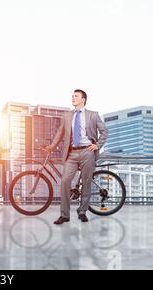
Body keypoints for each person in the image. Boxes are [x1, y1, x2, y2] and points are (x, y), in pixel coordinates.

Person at [45, 89, 108, 224]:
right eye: (72, 96)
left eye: (76, 96)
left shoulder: (93, 115)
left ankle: (82, 212)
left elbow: (104, 132)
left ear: (83, 99)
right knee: (65, 181)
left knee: (86, 183)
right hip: (72, 153)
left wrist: (97, 145)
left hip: (87, 152)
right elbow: (60, 134)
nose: (73, 98)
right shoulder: (67, 116)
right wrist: (51, 147)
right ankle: (64, 215)